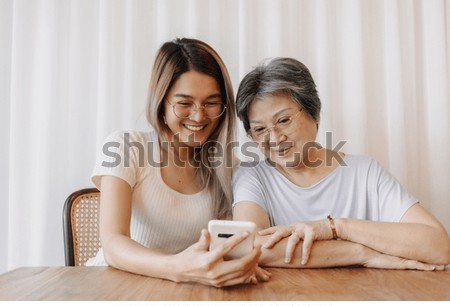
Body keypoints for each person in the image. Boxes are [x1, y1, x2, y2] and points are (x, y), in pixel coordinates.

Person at [233, 57, 450, 270]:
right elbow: (250, 247)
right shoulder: (252, 175)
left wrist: (336, 227)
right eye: (260, 129)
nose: (274, 138)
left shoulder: (364, 173)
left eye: (283, 120)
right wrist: (362, 253)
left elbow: (438, 247)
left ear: (314, 113)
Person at [86, 38, 268, 287]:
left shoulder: (229, 166)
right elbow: (113, 244)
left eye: (211, 103)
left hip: (185, 290)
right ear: (161, 102)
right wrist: (177, 267)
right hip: (116, 286)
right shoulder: (125, 147)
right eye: (184, 103)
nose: (199, 115)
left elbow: (228, 247)